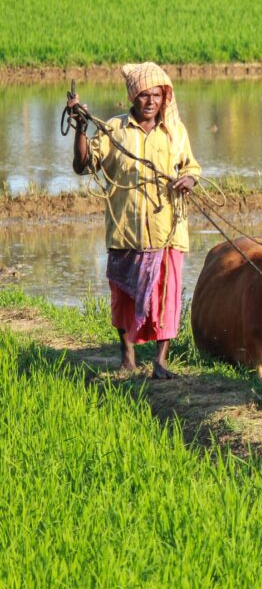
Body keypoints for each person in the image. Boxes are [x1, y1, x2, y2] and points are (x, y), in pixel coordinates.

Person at [68, 62, 201, 378]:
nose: (151, 101)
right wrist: (80, 128)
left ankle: (160, 361)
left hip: (168, 231)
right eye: (144, 95)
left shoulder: (174, 132)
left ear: (164, 98)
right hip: (125, 231)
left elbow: (192, 167)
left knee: (167, 295)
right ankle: (128, 357)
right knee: (124, 296)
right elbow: (83, 165)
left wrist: (188, 180)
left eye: (157, 95)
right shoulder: (114, 130)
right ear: (133, 97)